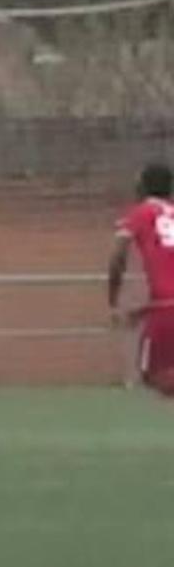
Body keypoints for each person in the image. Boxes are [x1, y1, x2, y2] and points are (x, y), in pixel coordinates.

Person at [109, 162, 174, 397]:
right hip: (164, 306)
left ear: (144, 186)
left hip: (165, 310)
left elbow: (118, 256)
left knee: (151, 374)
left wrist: (113, 300)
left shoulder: (141, 213)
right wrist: (143, 311)